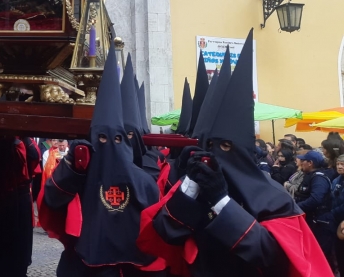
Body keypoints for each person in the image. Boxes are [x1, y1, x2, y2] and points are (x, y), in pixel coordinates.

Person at [138, 30, 332, 277]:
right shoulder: (197, 183)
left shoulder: (272, 196)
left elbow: (271, 255)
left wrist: (222, 200)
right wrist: (188, 187)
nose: (215, 155)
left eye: (224, 147)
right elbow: (165, 233)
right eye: (207, 147)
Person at [41, 45, 164, 276]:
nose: (110, 144)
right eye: (101, 138)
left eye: (118, 138)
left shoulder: (145, 182)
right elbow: (52, 202)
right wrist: (71, 168)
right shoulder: (80, 177)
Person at [294, 150, 335, 269]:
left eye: (303, 161)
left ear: (310, 163)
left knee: (320, 258)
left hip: (320, 222)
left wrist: (296, 207)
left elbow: (316, 199)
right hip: (311, 220)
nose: (301, 163)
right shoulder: (310, 176)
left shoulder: (319, 178)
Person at [330, 155, 344, 271]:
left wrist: (331, 213)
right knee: (338, 252)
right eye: (338, 164)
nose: (339, 167)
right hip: (335, 220)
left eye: (343, 164)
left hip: (341, 219)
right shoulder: (336, 180)